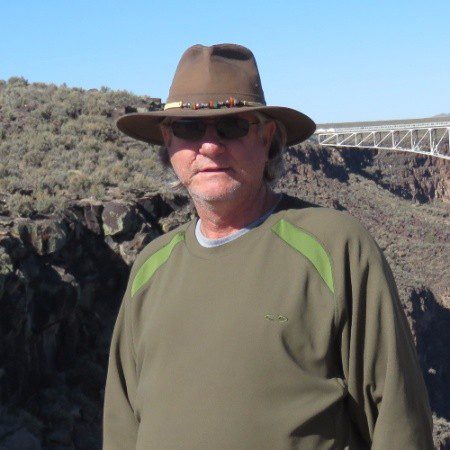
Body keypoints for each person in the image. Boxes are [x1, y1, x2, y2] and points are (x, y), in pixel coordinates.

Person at [103, 43, 434, 449]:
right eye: (189, 127)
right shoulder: (151, 266)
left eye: (232, 126)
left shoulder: (336, 248)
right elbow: (122, 419)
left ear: (268, 137)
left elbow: (397, 416)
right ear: (168, 143)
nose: (209, 146)